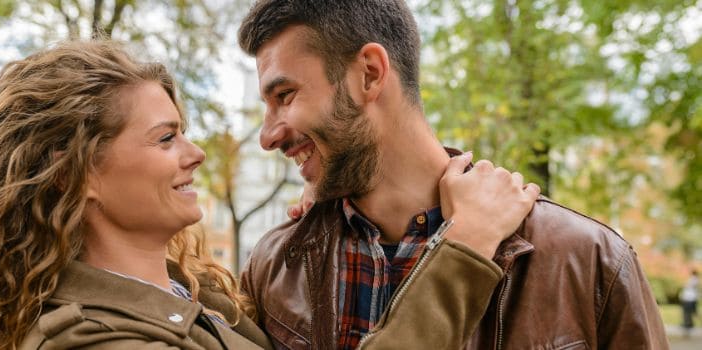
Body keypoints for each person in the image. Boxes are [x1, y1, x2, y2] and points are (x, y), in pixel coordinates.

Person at [0, 40, 535, 349]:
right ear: (76, 176)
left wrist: (332, 191)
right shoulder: (91, 340)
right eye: (166, 138)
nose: (195, 153)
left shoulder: (190, 295)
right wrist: (464, 247)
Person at [237, 0, 669, 349]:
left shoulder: (591, 261)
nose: (268, 136)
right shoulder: (273, 269)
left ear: (368, 74)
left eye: (285, 95)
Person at [680, 270, 699, 337]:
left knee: (687, 313)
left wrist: (685, 285)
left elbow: (687, 286)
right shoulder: (693, 279)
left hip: (689, 299)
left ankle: (688, 325)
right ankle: (688, 325)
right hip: (689, 298)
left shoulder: (694, 279)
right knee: (689, 313)